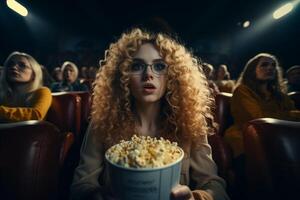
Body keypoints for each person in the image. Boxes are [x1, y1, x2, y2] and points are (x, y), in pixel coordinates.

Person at [71, 28, 229, 200]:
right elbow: (80, 186)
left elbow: (215, 187)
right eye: (137, 66)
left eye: (159, 66)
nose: (148, 75)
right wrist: (96, 196)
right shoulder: (102, 123)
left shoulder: (191, 124)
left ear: (174, 76)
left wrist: (196, 198)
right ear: (122, 76)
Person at [224, 53, 300, 199]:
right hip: (245, 137)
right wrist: (289, 114)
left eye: (273, 65)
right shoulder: (242, 90)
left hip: (278, 139)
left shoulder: (279, 95)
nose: (270, 68)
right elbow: (257, 119)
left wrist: (287, 114)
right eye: (264, 65)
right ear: (252, 69)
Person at [0, 51, 52, 122]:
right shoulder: (3, 94)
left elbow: (36, 114)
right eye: (10, 64)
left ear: (34, 73)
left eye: (22, 65)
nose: (14, 67)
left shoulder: (42, 91)